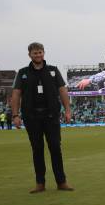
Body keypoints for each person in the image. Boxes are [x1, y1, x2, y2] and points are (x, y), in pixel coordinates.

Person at [11, 42, 74, 193]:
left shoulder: (53, 70)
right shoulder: (23, 72)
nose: (38, 55)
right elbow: (16, 94)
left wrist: (67, 110)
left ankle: (61, 181)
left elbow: (62, 90)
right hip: (31, 116)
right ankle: (40, 183)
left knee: (55, 147)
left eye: (40, 52)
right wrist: (15, 115)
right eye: (35, 53)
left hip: (51, 115)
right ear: (29, 55)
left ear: (44, 53)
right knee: (37, 149)